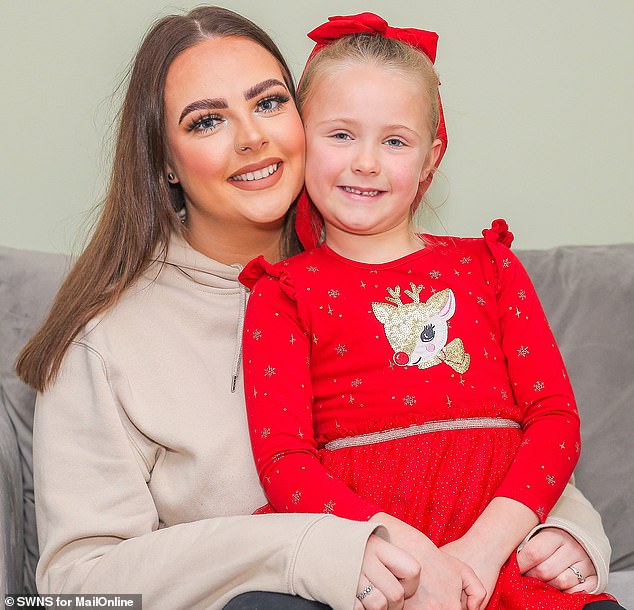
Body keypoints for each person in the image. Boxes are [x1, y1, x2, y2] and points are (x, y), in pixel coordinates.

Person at [13, 6, 612, 610]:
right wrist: (302, 549)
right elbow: (76, 588)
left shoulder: (394, 268)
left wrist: (567, 531)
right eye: (205, 121)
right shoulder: (104, 341)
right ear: (163, 159)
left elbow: (487, 431)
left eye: (269, 103)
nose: (252, 136)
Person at [240, 13, 622, 609]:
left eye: (394, 141)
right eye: (340, 134)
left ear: (430, 158)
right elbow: (284, 460)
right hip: (375, 552)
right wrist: (407, 553)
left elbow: (554, 419)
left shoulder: (489, 266)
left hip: (498, 538)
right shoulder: (282, 291)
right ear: (301, 140)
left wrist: (483, 548)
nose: (366, 162)